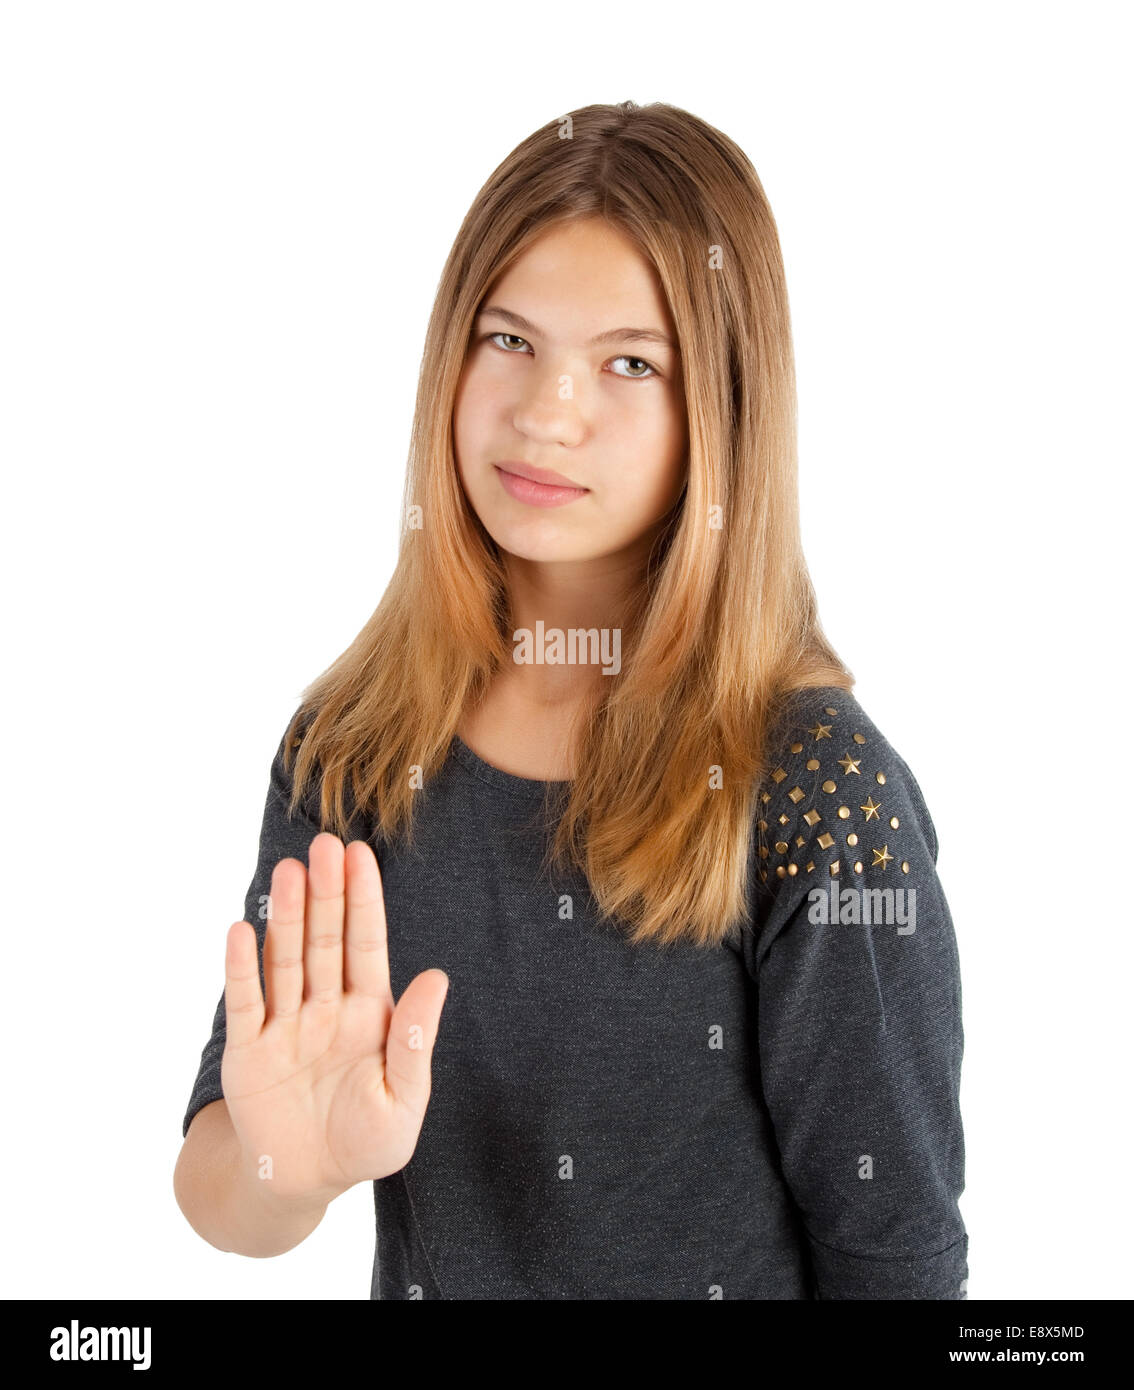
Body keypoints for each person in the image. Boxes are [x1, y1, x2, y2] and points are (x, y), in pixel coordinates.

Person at [173, 99, 968, 1300]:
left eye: (630, 362)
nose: (548, 411)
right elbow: (221, 1180)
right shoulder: (351, 745)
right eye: (509, 340)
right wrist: (296, 1164)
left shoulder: (817, 787)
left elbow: (899, 1268)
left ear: (726, 410)